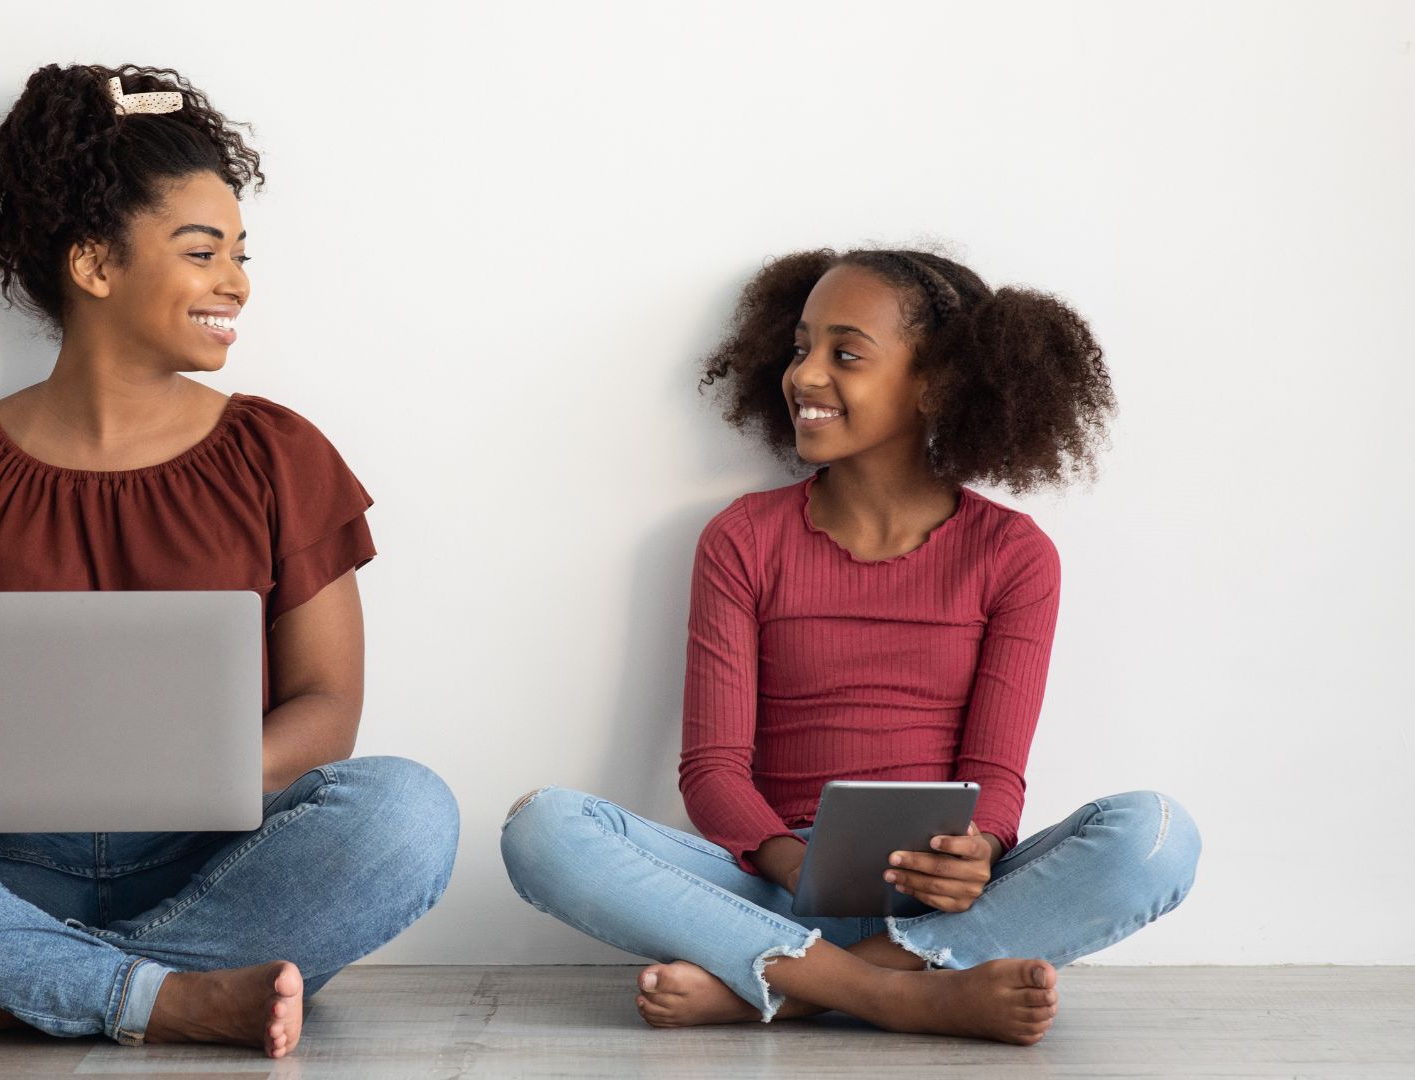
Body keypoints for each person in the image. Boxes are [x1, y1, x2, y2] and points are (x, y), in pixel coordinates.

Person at [0, 63, 459, 1059]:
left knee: (408, 813)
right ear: (95, 265)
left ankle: (18, 989)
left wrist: (202, 772)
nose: (237, 281)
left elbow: (328, 706)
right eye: (204, 252)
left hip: (216, 865)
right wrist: (2, 767)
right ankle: (162, 995)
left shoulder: (280, 453)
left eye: (241, 253)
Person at [499, 248, 1199, 1046]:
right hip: (774, 887)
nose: (805, 375)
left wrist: (980, 850)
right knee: (543, 828)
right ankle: (907, 993)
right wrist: (794, 863)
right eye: (800, 348)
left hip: (939, 894)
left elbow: (997, 774)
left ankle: (790, 987)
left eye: (845, 354)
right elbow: (713, 771)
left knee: (1157, 836)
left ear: (936, 382)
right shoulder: (744, 539)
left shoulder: (1013, 554)